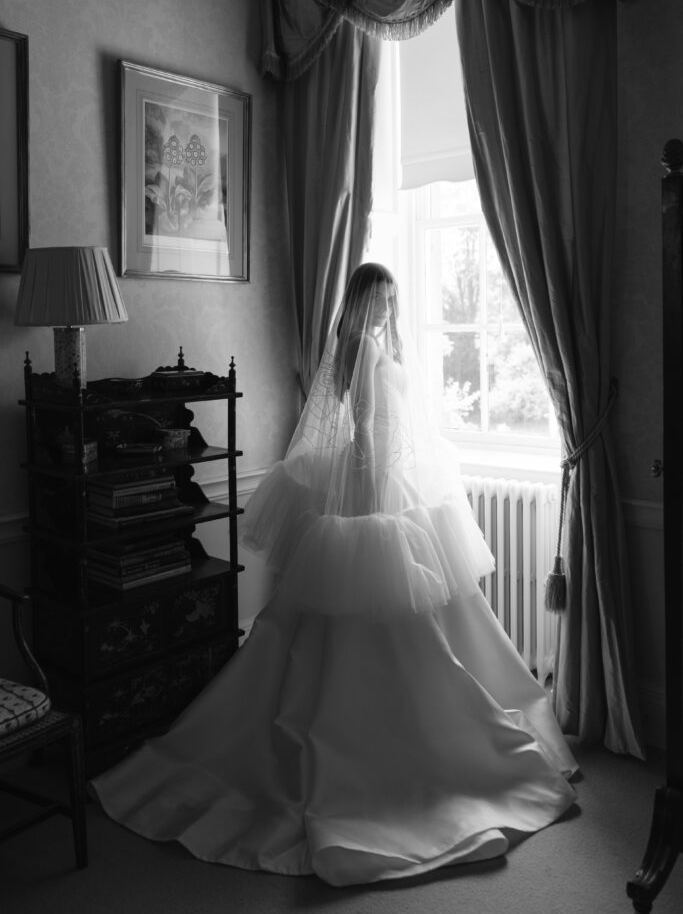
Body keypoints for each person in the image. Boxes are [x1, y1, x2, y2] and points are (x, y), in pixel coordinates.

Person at [91, 262, 578, 887]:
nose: (387, 311)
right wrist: (374, 498)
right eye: (383, 301)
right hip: (376, 479)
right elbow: (368, 427)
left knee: (356, 614)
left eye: (391, 303)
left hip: (372, 474)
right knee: (399, 608)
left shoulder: (348, 341)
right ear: (367, 299)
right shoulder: (367, 344)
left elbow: (356, 420)